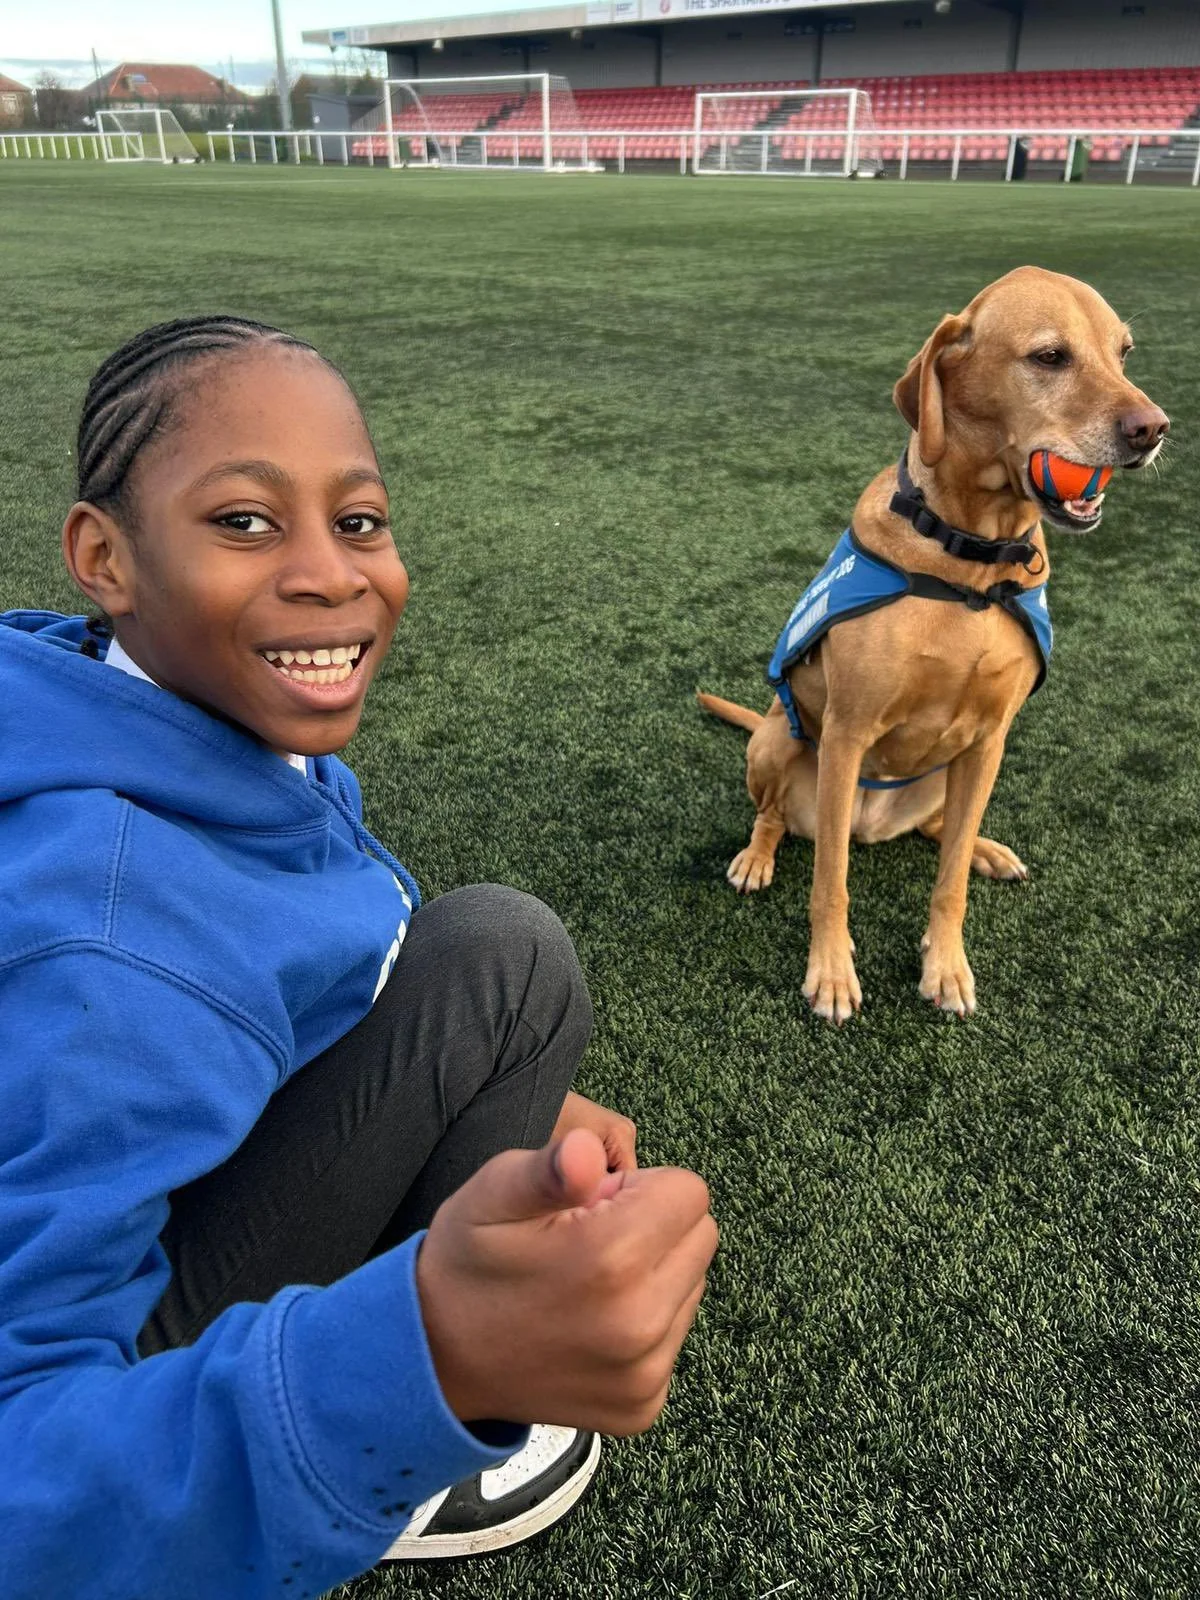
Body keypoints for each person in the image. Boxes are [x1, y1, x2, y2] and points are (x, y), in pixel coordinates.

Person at [0, 317, 718, 1599]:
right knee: (508, 952)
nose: (331, 574)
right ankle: (409, 1480)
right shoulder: (109, 948)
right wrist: (417, 1365)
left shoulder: (143, 699)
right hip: (115, 1391)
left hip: (168, 1197)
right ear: (103, 555)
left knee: (498, 958)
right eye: (244, 522)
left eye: (362, 519)